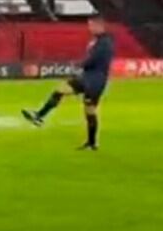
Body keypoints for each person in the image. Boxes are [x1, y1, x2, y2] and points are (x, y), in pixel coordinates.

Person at [22, 18, 115, 150]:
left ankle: (92, 143)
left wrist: (82, 63)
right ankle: (39, 116)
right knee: (61, 90)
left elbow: (94, 60)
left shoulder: (104, 43)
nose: (90, 28)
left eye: (91, 25)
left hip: (94, 80)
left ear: (99, 26)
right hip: (90, 78)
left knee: (89, 111)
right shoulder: (101, 41)